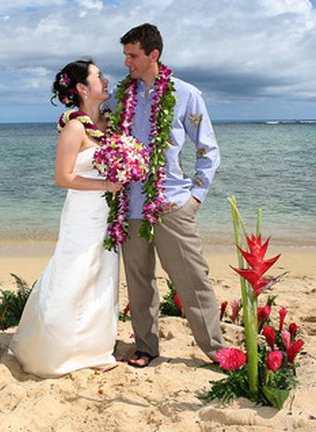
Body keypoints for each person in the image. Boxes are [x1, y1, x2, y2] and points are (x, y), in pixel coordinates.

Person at [107, 23, 225, 367]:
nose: (127, 62)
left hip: (172, 204)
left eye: (133, 55)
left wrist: (196, 197)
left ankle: (217, 351)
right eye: (125, 55)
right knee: (139, 283)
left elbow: (209, 149)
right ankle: (146, 346)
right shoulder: (121, 97)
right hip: (131, 206)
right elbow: (97, 123)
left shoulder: (185, 94)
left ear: (153, 54)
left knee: (193, 280)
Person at [10, 60, 122, 378]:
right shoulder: (75, 127)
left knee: (103, 274)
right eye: (98, 76)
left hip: (108, 213)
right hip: (83, 213)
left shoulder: (110, 122)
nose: (105, 79)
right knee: (74, 272)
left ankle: (95, 347)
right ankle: (56, 349)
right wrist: (106, 185)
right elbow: (64, 176)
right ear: (83, 88)